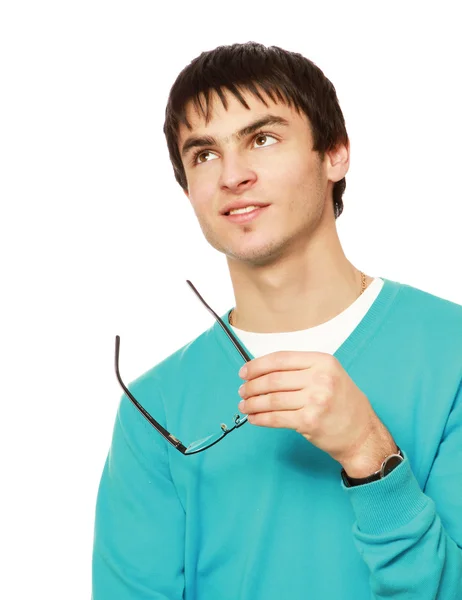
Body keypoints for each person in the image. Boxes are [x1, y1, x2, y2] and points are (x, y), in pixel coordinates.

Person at [91, 42, 462, 599]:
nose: (233, 174)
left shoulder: (450, 352)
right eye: (204, 154)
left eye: (262, 139)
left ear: (334, 153)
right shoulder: (155, 407)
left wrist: (368, 451)